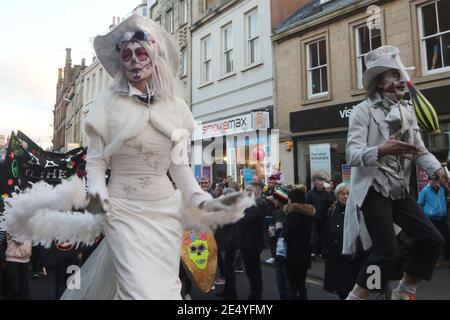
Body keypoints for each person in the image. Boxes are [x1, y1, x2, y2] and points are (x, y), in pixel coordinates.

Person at [2, 15, 253, 300]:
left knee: (166, 289)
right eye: (127, 54)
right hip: (122, 211)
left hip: (164, 214)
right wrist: (98, 197)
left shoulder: (176, 108)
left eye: (140, 52)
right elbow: (96, 164)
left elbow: (180, 168)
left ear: (154, 56)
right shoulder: (107, 104)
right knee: (136, 290)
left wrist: (203, 200)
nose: (133, 60)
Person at [344, 45, 445, 300]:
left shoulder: (408, 111)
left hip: (398, 188)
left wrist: (439, 171)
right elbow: (351, 155)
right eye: (395, 75)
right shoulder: (362, 111)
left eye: (402, 75)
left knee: (432, 239)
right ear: (380, 81)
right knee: (387, 252)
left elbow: (419, 151)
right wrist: (380, 150)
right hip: (373, 188)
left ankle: (405, 291)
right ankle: (358, 296)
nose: (402, 80)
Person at [323, 183, 365, 300]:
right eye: (342, 194)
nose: (345, 196)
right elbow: (326, 233)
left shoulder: (357, 212)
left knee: (352, 293)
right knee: (342, 293)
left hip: (352, 261)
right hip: (336, 260)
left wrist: (356, 255)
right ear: (337, 196)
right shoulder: (331, 212)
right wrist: (327, 252)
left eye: (348, 194)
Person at [235, 183, 267, 300]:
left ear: (256, 192)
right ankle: (255, 293)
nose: (245, 192)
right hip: (248, 242)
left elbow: (243, 220)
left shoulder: (257, 205)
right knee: (251, 270)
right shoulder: (251, 204)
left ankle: (256, 295)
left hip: (252, 243)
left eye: (249, 190)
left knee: (253, 271)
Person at [284, 186, 315, 300]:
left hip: (294, 254)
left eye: (289, 198)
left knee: (294, 284)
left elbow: (287, 235)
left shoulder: (293, 216)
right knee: (301, 283)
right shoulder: (307, 215)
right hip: (305, 252)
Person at [418, 175, 450, 267]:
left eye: (437, 180)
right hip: (431, 220)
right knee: (433, 240)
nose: (435, 182)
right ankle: (432, 261)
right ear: (430, 180)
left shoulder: (442, 190)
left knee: (447, 238)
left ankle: (447, 260)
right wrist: (424, 217)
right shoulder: (425, 190)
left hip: (442, 219)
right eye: (433, 180)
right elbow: (419, 204)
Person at [272, 188, 296, 300]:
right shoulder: (278, 213)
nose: (274, 202)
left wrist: (277, 231)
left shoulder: (284, 213)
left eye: (276, 200)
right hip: (280, 250)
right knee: (282, 282)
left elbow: (280, 231)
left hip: (284, 252)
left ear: (281, 201)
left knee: (285, 282)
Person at [306, 173, 333, 258]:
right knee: (314, 236)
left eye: (322, 184)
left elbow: (331, 203)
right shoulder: (310, 194)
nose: (321, 185)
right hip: (313, 218)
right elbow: (307, 205)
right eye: (319, 184)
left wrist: (330, 192)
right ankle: (314, 252)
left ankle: (322, 252)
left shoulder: (327, 194)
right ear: (315, 184)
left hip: (324, 218)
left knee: (323, 235)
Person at [2, 235, 31, 300]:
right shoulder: (12, 225)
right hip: (12, 258)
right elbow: (19, 241)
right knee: (15, 287)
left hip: (25, 258)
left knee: (24, 287)